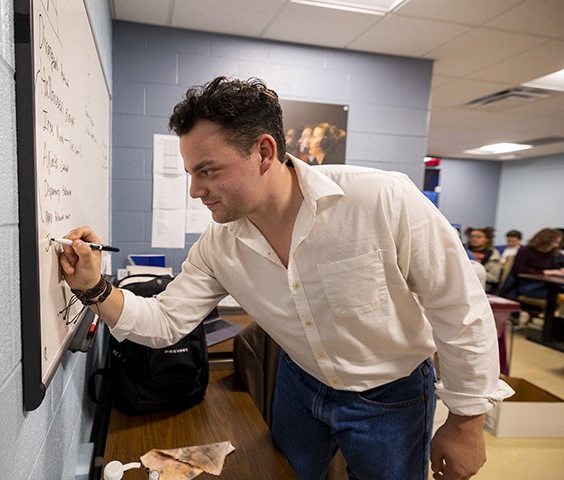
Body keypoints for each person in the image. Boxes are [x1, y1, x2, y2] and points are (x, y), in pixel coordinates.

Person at [59, 77, 512, 480]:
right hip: (301, 383)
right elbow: (165, 322)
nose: (195, 190)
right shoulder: (220, 244)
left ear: (264, 152)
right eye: (191, 173)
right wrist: (94, 287)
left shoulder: (381, 199)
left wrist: (467, 421)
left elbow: (459, 307)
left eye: (207, 170)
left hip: (391, 397)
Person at [512, 228, 564, 298]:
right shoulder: (525, 251)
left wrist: (561, 269)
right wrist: (545, 272)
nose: (557, 245)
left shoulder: (552, 253)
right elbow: (520, 271)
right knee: (554, 295)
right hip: (528, 284)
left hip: (547, 284)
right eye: (555, 242)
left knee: (556, 292)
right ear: (545, 241)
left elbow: (558, 266)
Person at [464, 226, 502, 293]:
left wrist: (476, 273)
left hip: (482, 288)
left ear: (487, 239)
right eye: (472, 236)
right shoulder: (462, 251)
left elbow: (494, 278)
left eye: (478, 237)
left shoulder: (493, 255)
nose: (474, 239)